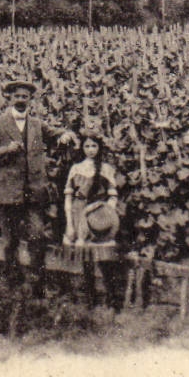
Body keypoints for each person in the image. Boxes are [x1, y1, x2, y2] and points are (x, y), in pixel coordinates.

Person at [0, 78, 77, 293]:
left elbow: (55, 134)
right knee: (10, 241)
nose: (21, 100)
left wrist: (66, 135)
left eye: (25, 97)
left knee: (37, 235)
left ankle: (37, 282)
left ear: (30, 99)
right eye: (17, 96)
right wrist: (6, 149)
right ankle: (13, 282)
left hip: (33, 192)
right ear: (9, 98)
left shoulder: (37, 124)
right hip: (6, 191)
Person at [62, 132, 124, 310]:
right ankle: (90, 299)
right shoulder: (76, 168)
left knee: (104, 259)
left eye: (94, 146)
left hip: (98, 214)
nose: (91, 150)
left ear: (99, 148)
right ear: (82, 148)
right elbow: (68, 198)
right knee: (86, 259)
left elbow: (113, 196)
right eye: (87, 146)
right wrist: (70, 223)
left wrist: (106, 212)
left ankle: (112, 299)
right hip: (79, 213)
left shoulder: (106, 169)